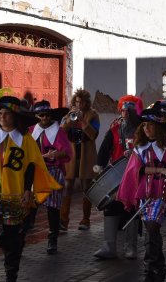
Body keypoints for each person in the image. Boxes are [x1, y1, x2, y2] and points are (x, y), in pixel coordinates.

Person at [0, 94, 62, 282]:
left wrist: (28, 190)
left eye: (7, 114)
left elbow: (31, 166)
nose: (3, 117)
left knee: (12, 241)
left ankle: (11, 276)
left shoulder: (25, 139)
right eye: (0, 113)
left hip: (15, 198)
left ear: (15, 117)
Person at [117, 103, 166, 282]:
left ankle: (153, 267)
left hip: (162, 195)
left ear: (158, 127)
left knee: (152, 226)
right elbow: (136, 171)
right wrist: (159, 170)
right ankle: (155, 269)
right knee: (150, 231)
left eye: (150, 125)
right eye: (144, 125)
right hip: (145, 195)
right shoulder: (139, 150)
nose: (146, 128)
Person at [93, 95, 143, 259]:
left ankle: (131, 247)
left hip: (134, 174)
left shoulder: (142, 129)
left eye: (128, 111)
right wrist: (99, 166)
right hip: (115, 174)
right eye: (123, 110)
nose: (125, 113)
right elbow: (105, 147)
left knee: (130, 208)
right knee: (110, 207)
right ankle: (109, 246)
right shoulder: (115, 129)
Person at [28, 100, 73, 255]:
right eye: (41, 115)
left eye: (47, 115)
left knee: (52, 206)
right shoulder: (30, 130)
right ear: (36, 116)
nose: (44, 118)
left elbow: (66, 152)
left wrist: (55, 154)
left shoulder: (58, 131)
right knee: (31, 203)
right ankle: (22, 236)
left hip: (53, 170)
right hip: (35, 171)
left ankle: (52, 239)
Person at [60, 88, 100, 231]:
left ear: (87, 103)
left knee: (86, 188)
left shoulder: (93, 115)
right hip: (71, 156)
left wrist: (83, 121)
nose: (79, 105)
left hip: (86, 156)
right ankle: (63, 220)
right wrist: (70, 120)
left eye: (82, 102)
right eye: (77, 102)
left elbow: (93, 134)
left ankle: (85, 219)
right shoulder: (69, 114)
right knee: (67, 187)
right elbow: (61, 132)